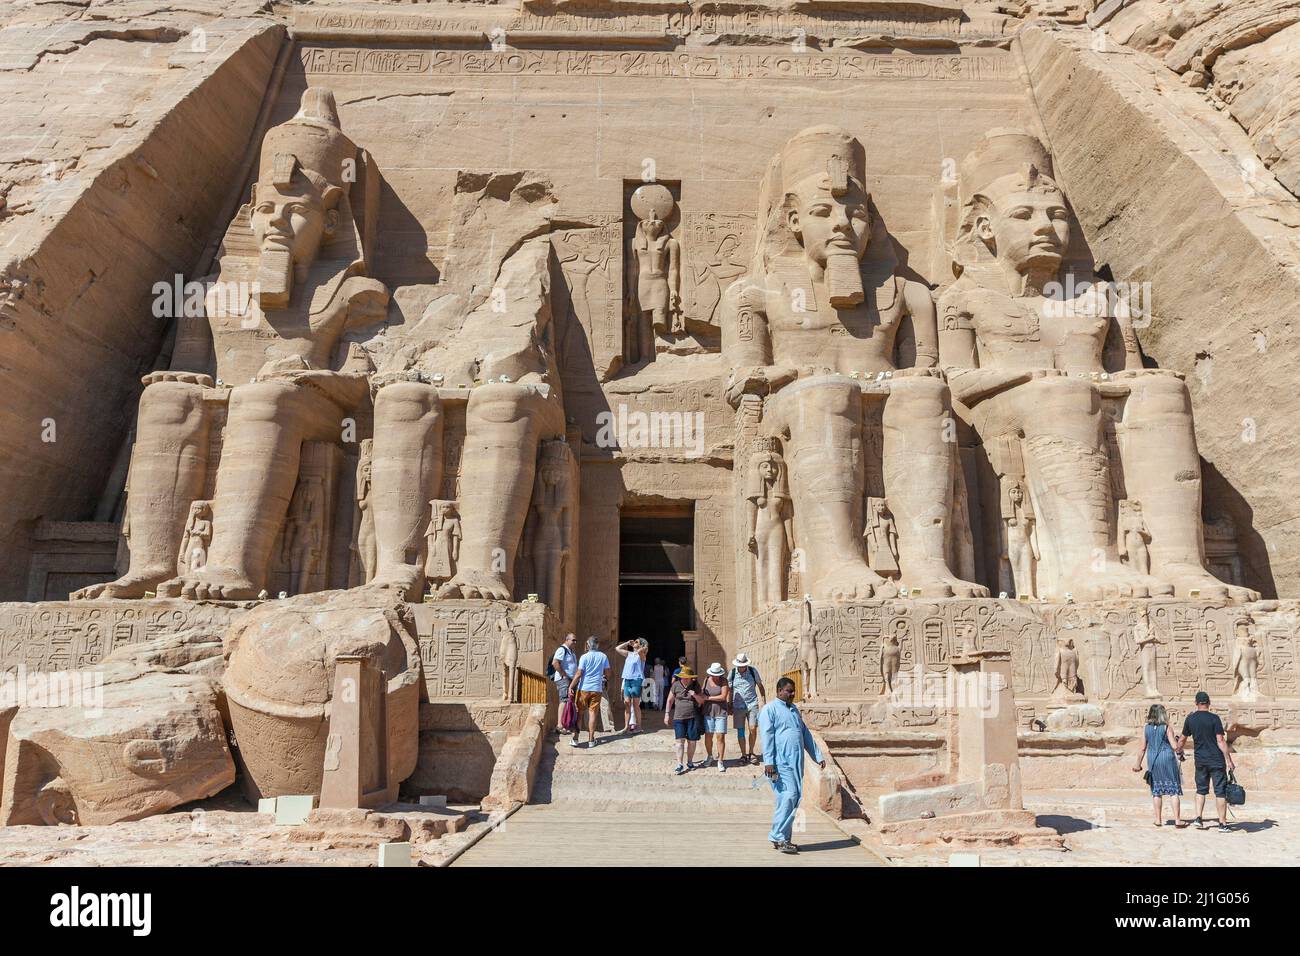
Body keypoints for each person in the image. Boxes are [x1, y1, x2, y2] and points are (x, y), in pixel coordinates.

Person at [759, 677, 825, 854]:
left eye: (793, 690)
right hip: (779, 764)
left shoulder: (794, 710)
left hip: (796, 762)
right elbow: (767, 736)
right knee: (789, 795)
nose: (792, 694)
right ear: (779, 691)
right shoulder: (769, 710)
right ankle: (777, 835)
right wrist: (769, 762)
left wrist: (817, 755)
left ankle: (783, 839)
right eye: (789, 691)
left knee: (792, 799)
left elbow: (805, 734)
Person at [1178, 691, 1237, 831]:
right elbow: (1221, 741)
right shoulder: (1214, 718)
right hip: (1216, 760)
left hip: (1200, 760)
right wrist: (1229, 760)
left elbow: (1182, 739)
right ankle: (1222, 823)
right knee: (1220, 792)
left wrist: (1178, 751)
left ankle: (1198, 818)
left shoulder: (1190, 719)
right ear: (1209, 703)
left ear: (1196, 703)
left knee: (1201, 790)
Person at [1132, 703, 1187, 828]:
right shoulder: (1167, 727)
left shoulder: (1146, 728)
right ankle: (1177, 820)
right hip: (1167, 759)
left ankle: (1158, 820)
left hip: (1153, 760)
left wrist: (1137, 764)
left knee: (1156, 791)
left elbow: (1142, 748)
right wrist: (1180, 748)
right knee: (1173, 791)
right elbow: (1174, 746)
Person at [568, 636, 610, 749]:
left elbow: (579, 674)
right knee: (593, 714)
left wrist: (571, 686)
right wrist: (603, 679)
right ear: (598, 645)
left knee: (580, 714)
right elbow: (608, 673)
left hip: (584, 689)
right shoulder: (603, 656)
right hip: (597, 689)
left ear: (588, 645)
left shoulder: (584, 657)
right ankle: (591, 740)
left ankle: (575, 739)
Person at [728, 653, 767, 766]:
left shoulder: (752, 671)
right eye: (740, 665)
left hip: (752, 704)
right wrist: (729, 704)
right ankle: (743, 754)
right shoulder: (733, 673)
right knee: (740, 731)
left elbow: (760, 686)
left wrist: (763, 701)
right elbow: (730, 690)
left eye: (743, 665)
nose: (742, 667)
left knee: (753, 728)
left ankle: (751, 752)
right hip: (738, 706)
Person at [664, 665, 704, 775]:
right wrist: (667, 714)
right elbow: (669, 700)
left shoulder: (696, 686)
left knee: (692, 741)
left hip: (692, 717)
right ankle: (680, 764)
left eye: (687, 677)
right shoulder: (676, 685)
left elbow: (701, 701)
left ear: (691, 678)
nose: (684, 679)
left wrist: (694, 694)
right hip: (679, 717)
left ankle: (690, 761)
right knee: (679, 742)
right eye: (682, 677)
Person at [700, 663, 732, 772]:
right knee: (708, 736)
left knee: (720, 736)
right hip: (708, 712)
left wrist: (708, 698)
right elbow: (702, 693)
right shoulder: (706, 680)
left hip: (721, 712)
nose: (715, 676)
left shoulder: (724, 681)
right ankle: (709, 756)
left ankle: (720, 760)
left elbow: (723, 697)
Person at [616, 637, 649, 732]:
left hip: (636, 680)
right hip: (627, 680)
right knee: (627, 703)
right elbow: (617, 649)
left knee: (635, 705)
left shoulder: (641, 655)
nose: (634, 642)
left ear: (641, 645)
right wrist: (627, 642)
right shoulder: (629, 654)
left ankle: (639, 726)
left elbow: (641, 651)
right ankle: (626, 727)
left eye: (636, 641)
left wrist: (641, 647)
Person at [551, 633, 578, 733]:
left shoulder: (571, 652)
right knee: (564, 700)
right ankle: (559, 725)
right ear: (567, 640)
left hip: (570, 679)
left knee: (568, 700)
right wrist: (564, 674)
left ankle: (566, 723)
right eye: (573, 640)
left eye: (576, 640)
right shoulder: (562, 650)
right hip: (563, 679)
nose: (575, 642)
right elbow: (555, 663)